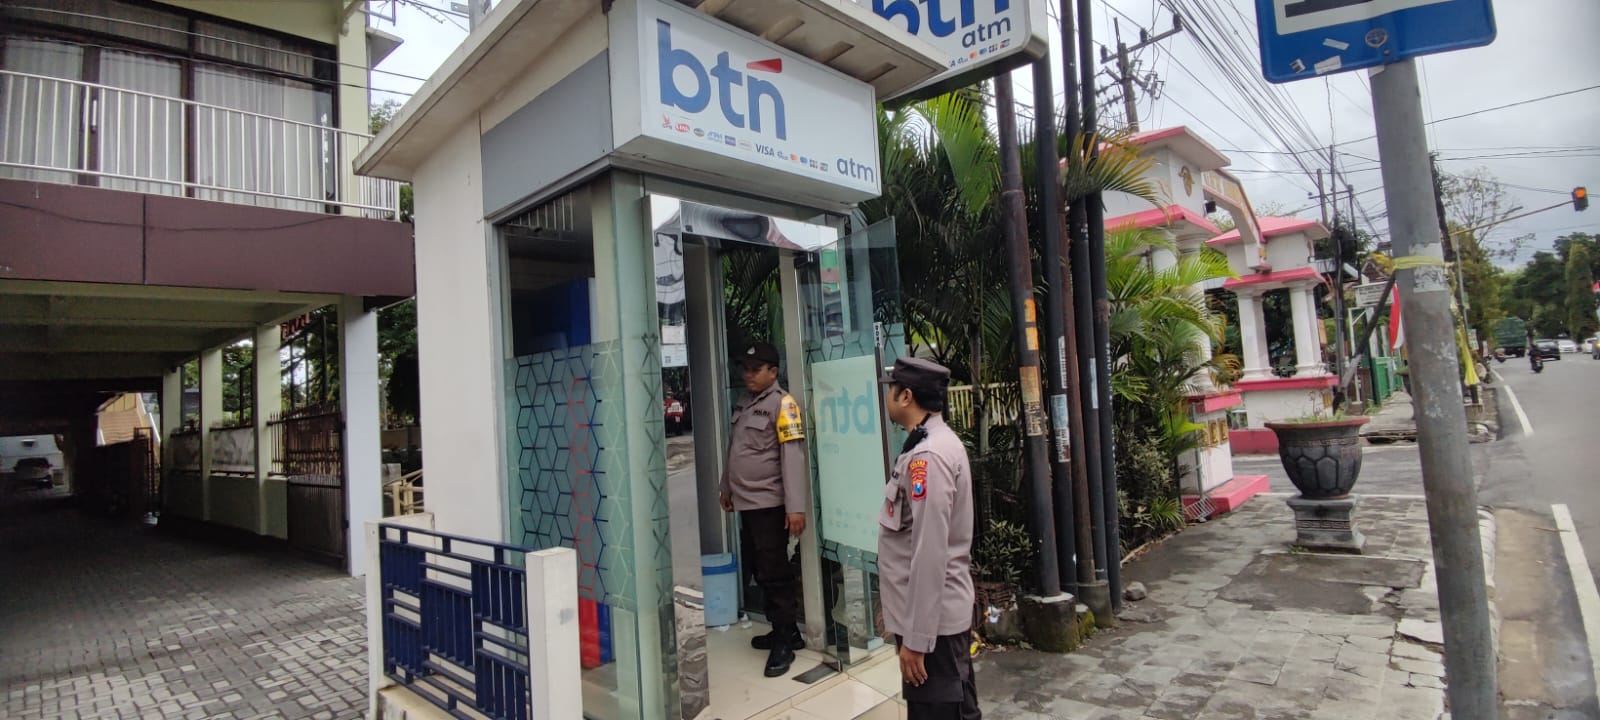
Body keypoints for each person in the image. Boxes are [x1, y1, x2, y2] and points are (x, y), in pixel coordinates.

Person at [876, 357, 980, 720]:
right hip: (936, 621)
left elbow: (929, 552)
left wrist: (917, 640)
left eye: (891, 389)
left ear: (906, 396)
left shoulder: (928, 457)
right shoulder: (929, 443)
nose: (887, 396)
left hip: (933, 628)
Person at [720, 341, 809, 677]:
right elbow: (736, 449)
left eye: (755, 369)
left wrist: (795, 507)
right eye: (745, 368)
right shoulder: (745, 402)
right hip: (746, 502)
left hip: (770, 504)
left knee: (774, 573)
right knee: (759, 569)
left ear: (773, 372)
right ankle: (786, 630)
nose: (748, 374)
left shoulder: (783, 404)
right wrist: (726, 486)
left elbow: (793, 456)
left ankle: (784, 642)